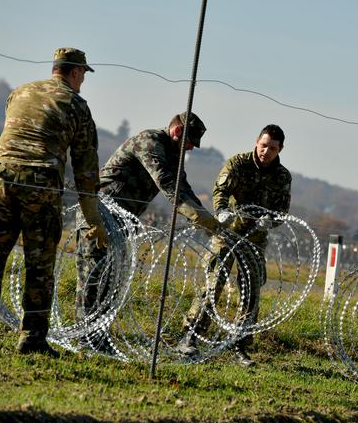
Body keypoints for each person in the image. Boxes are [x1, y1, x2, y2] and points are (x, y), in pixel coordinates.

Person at [0, 47, 108, 358]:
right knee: (39, 264)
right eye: (83, 75)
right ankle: (32, 338)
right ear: (76, 72)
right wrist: (93, 218)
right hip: (40, 181)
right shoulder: (76, 105)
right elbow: (86, 171)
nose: (83, 81)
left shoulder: (19, 93)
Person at [74, 112, 220, 346]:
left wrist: (208, 220)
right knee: (94, 276)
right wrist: (199, 217)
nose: (191, 148)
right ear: (178, 132)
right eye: (191, 141)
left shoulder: (174, 156)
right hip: (100, 215)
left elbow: (184, 188)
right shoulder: (150, 142)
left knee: (111, 281)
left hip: (121, 220)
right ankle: (85, 339)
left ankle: (98, 337)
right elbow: (167, 184)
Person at [180, 124, 291, 367]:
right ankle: (191, 335)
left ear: (280, 149)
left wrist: (270, 221)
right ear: (256, 142)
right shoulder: (238, 164)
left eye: (272, 148)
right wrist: (221, 211)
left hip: (255, 240)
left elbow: (282, 210)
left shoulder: (282, 177)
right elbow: (220, 190)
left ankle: (239, 345)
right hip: (227, 233)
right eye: (263, 146)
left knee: (250, 292)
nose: (266, 152)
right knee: (214, 283)